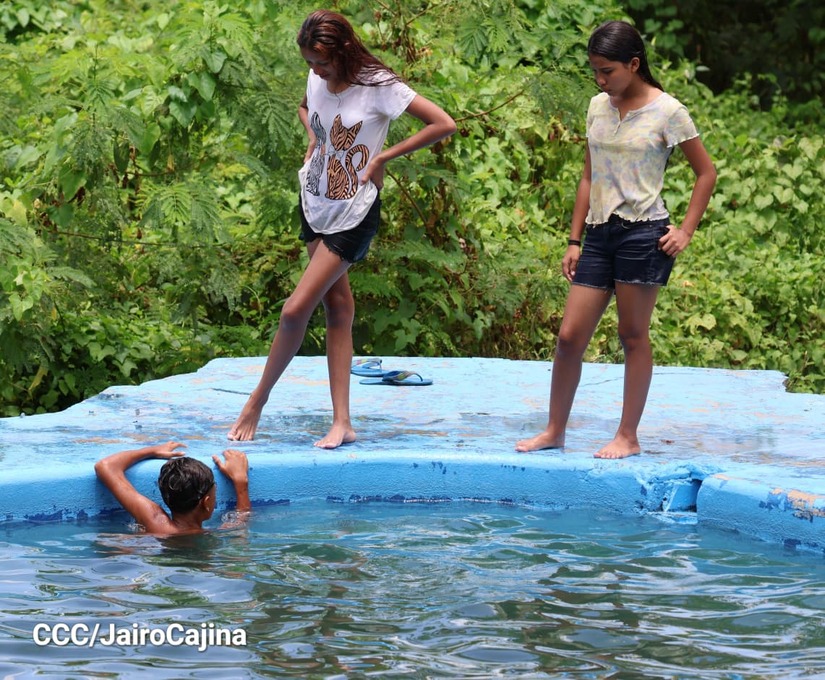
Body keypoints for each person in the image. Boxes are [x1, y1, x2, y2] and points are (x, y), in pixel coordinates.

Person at [227, 9, 456, 448]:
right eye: (310, 63)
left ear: (344, 53)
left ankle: (257, 400)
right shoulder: (316, 78)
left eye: (323, 64)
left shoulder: (378, 85)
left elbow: (443, 123)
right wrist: (315, 136)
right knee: (339, 308)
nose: (316, 71)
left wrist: (383, 157)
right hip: (314, 200)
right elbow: (306, 106)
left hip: (353, 211)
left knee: (295, 310)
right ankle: (343, 422)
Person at [516, 20, 717, 459]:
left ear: (633, 64)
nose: (600, 80)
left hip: (644, 235)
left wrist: (685, 230)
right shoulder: (597, 107)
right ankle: (554, 430)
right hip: (599, 232)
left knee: (632, 335)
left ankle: (628, 435)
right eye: (595, 71)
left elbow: (707, 173)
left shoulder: (668, 112)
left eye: (608, 71)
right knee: (569, 337)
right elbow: (589, 175)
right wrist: (573, 239)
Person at [94, 442, 250, 534]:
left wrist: (152, 450)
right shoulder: (216, 535)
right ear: (207, 501)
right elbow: (242, 518)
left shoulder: (155, 522)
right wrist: (241, 482)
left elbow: (106, 466)